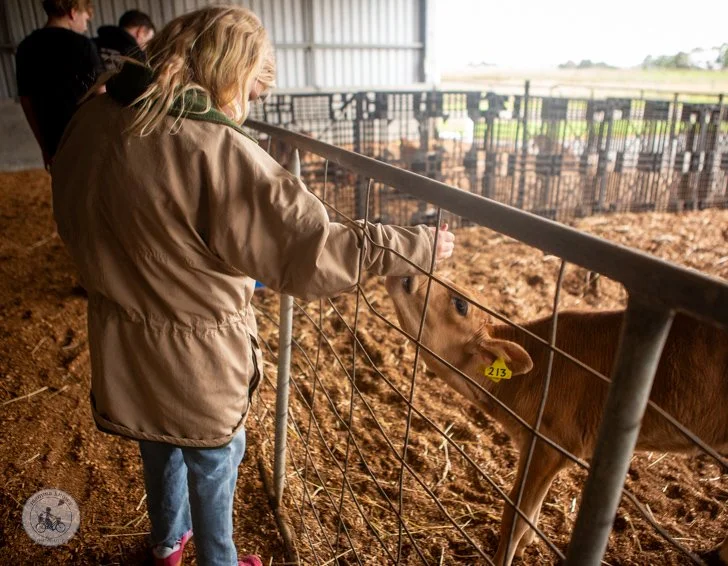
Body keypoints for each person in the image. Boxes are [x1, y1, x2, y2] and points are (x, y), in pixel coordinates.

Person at [50, 5, 454, 566]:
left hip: (124, 337)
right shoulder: (213, 150)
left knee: (156, 439)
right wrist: (418, 246)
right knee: (215, 459)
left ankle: (168, 544)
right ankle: (219, 560)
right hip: (197, 354)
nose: (248, 105)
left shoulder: (93, 117)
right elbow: (312, 251)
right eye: (251, 88)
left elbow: (83, 215)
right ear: (228, 72)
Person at [15, 0, 104, 169]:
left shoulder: (26, 47)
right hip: (87, 137)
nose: (86, 27)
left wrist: (44, 148)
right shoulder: (83, 45)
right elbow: (101, 94)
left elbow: (26, 100)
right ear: (72, 12)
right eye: (85, 20)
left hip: (54, 142)